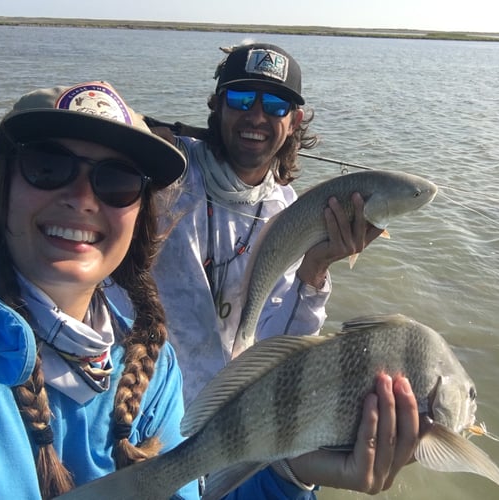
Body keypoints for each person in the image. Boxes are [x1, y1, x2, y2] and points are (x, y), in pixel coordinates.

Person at [0, 81, 420, 500]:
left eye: (119, 180)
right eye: (47, 165)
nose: (83, 199)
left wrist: (292, 472)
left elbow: (277, 353)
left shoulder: (152, 374)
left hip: (211, 424)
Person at [108, 42, 420, 495]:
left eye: (275, 104)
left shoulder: (290, 212)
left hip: (231, 425)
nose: (256, 115)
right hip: (138, 405)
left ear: (294, 121)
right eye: (240, 99)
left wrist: (316, 267)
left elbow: (275, 350)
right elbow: (94, 140)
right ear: (215, 106)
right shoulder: (164, 171)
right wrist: (133, 140)